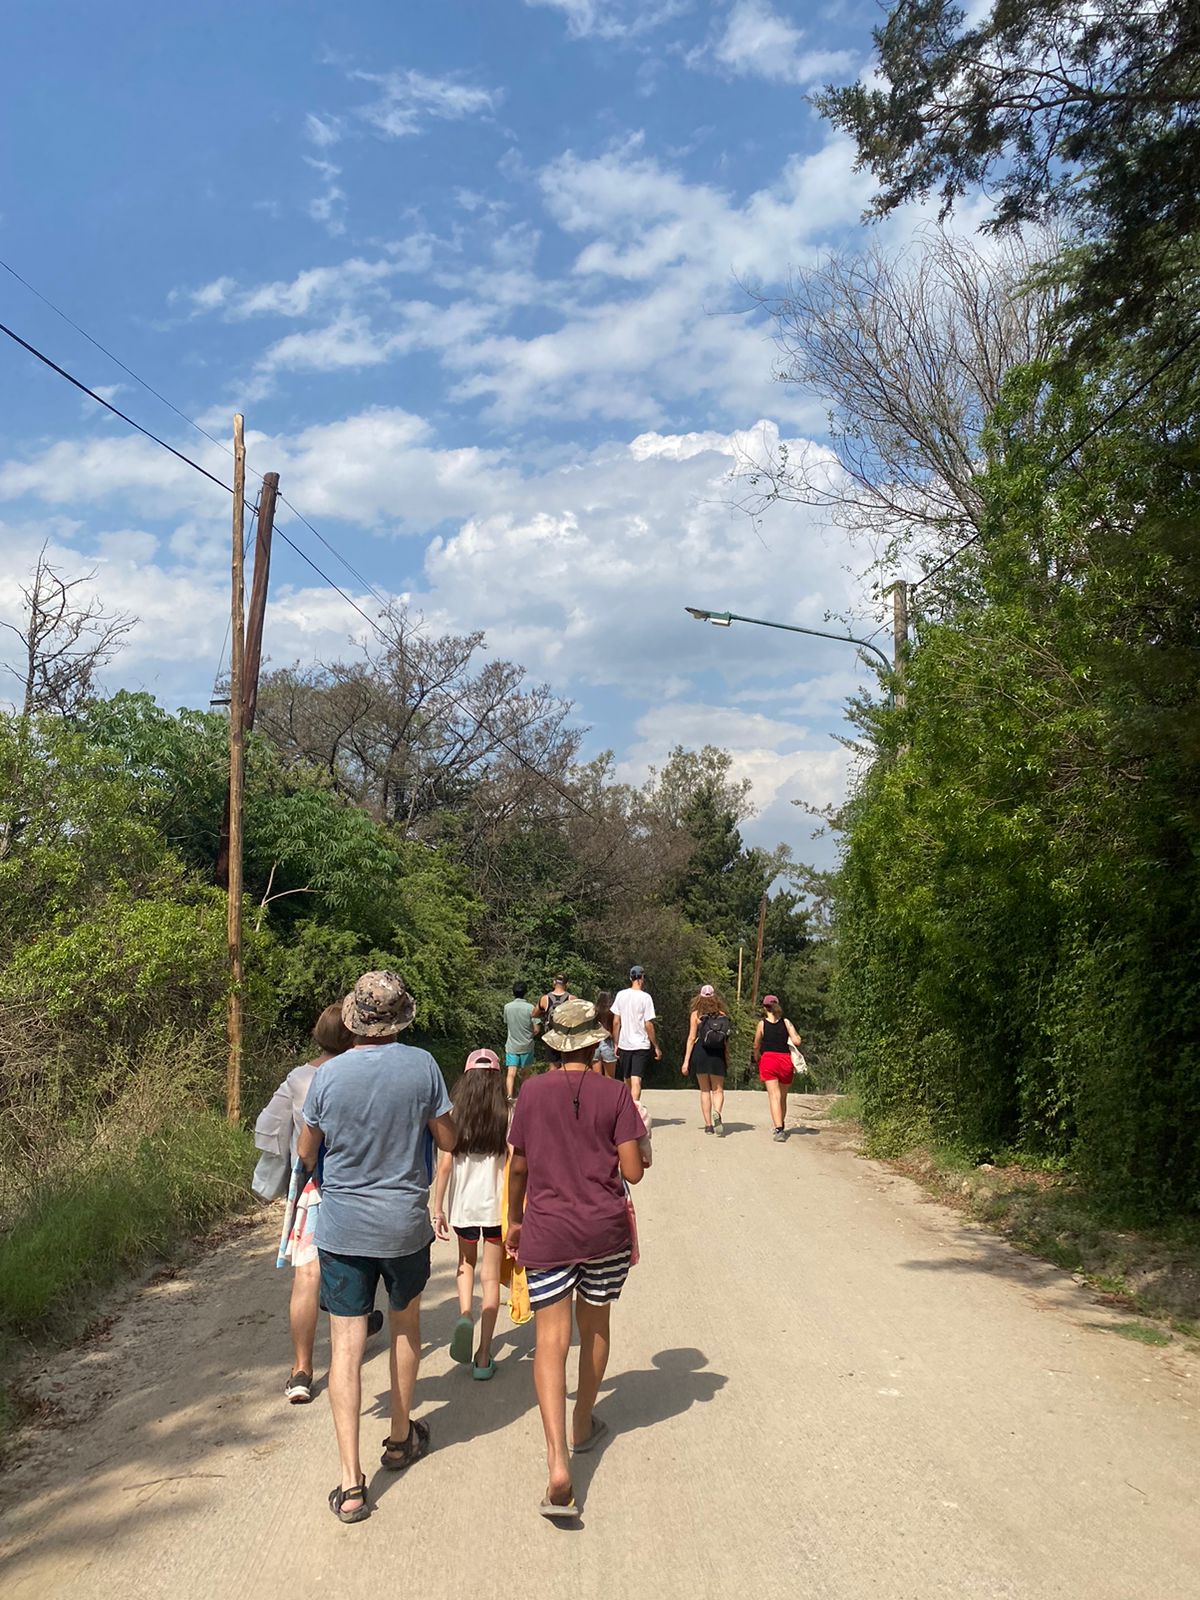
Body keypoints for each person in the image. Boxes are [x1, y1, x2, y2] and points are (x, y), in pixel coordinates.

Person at [298, 971, 456, 1525]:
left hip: (343, 1228)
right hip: (404, 1223)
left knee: (344, 1346)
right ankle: (398, 1437)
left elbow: (306, 1149)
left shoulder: (328, 1075)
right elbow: (447, 1138)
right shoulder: (423, 1067)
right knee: (407, 1325)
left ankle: (350, 1483)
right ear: (399, 1019)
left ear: (354, 1020)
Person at [506, 999, 646, 1520]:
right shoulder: (615, 1095)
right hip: (603, 1232)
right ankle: (583, 1422)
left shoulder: (530, 1094)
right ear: (595, 1043)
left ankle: (557, 1463)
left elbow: (518, 1167)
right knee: (597, 1326)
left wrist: (515, 1221)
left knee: (550, 1340)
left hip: (547, 1228)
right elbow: (632, 1173)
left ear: (554, 1045)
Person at [254, 1004, 385, 1403]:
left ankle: (301, 1370)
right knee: (361, 1263)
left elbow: (267, 1125)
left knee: (307, 1276)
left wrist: (290, 1158)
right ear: (352, 1036)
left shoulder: (298, 1079)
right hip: (359, 1185)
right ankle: (359, 1322)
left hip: (313, 1190)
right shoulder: (360, 1073)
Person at [433, 1048, 509, 1381]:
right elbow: (511, 1166)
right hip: (494, 1208)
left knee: (466, 1266)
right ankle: (483, 1355)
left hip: (463, 1207)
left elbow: (445, 1165)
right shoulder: (507, 1114)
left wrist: (437, 1208)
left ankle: (465, 1313)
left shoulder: (454, 1115)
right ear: (496, 1080)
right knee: (491, 1278)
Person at [681, 984, 732, 1136]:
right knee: (718, 1089)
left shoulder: (696, 1015)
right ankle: (717, 1112)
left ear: (700, 997)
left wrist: (686, 1061)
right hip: (717, 1054)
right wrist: (726, 1057)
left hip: (700, 1053)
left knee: (704, 1090)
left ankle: (708, 1125)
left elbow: (691, 1038)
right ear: (715, 997)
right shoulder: (722, 1014)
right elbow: (725, 1040)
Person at [752, 994, 804, 1143]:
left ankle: (779, 1129)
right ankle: (781, 1123)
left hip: (768, 1060)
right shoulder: (786, 1022)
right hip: (785, 1061)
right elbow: (797, 1041)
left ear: (764, 1008)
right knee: (782, 1096)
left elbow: (756, 1044)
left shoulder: (761, 1024)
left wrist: (757, 1056)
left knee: (774, 1096)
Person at [611, 964, 661, 1102]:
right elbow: (648, 1024)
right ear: (642, 978)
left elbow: (616, 1021)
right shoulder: (646, 998)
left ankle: (628, 1109)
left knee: (627, 1079)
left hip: (625, 1043)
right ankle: (636, 1109)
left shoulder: (621, 995)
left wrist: (615, 1043)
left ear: (630, 978)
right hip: (641, 1044)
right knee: (636, 1079)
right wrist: (655, 1045)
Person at [504, 982, 537, 1102]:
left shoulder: (507, 1007)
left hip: (512, 1045)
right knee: (525, 1074)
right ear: (525, 992)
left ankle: (509, 1096)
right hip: (527, 1045)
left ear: (513, 992)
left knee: (511, 1072)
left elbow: (507, 1023)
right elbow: (536, 1028)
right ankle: (524, 1097)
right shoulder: (531, 1008)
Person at [534, 973, 574, 1064]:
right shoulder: (572, 999)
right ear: (567, 984)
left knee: (553, 1067)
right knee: (566, 1066)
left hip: (550, 1037)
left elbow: (534, 1014)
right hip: (566, 1037)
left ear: (554, 982)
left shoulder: (545, 999)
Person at [593, 989, 617, 1076]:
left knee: (596, 1078)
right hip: (607, 1041)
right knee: (609, 1078)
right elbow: (615, 1027)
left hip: (595, 1042)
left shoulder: (594, 1011)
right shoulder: (611, 1012)